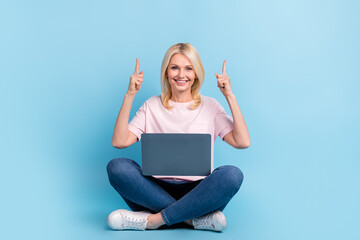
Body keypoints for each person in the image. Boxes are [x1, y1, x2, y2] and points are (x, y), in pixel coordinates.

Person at [106, 43, 250, 231]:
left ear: (196, 73)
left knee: (232, 175)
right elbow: (119, 141)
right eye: (174, 67)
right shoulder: (152, 105)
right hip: (154, 191)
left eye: (188, 68)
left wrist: (229, 95)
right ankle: (191, 219)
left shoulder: (211, 106)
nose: (181, 75)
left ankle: (153, 221)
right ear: (166, 72)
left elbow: (242, 142)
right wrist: (130, 95)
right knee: (117, 167)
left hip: (198, 193)